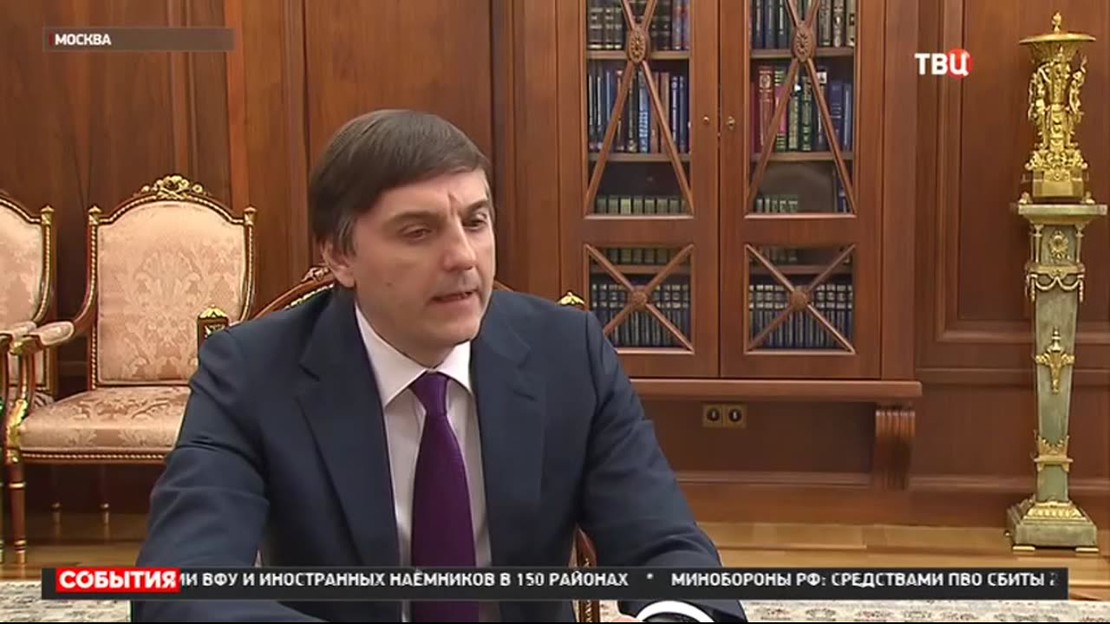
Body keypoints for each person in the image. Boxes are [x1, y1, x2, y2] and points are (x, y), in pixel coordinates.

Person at [131, 109, 747, 623]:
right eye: (418, 232)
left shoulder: (568, 354)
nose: (463, 257)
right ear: (340, 256)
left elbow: (669, 552)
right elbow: (181, 587)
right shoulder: (251, 373)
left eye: (476, 222)